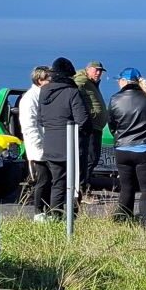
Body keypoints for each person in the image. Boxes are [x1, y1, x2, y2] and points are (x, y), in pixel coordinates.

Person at [108, 67, 146, 229]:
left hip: (122, 149)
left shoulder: (115, 99)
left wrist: (120, 137)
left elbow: (112, 124)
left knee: (127, 187)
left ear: (124, 81)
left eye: (119, 80)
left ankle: (123, 220)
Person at [39, 57, 90, 218]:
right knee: (74, 185)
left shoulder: (43, 92)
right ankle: (71, 218)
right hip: (71, 147)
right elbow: (82, 120)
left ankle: (56, 216)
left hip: (50, 145)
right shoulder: (72, 92)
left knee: (57, 184)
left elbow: (40, 120)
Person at [18, 65, 52, 222]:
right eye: (48, 79)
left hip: (48, 145)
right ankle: (39, 212)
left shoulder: (43, 95)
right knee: (42, 180)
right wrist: (39, 144)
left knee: (50, 180)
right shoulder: (30, 98)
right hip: (39, 147)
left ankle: (48, 211)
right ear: (40, 80)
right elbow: (29, 125)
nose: (51, 81)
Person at [74, 61, 107, 200]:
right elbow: (74, 89)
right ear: (88, 69)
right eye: (96, 70)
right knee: (90, 159)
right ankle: (82, 191)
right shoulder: (82, 80)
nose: (98, 73)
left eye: (100, 71)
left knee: (92, 159)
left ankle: (84, 188)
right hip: (90, 126)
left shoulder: (92, 83)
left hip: (96, 126)